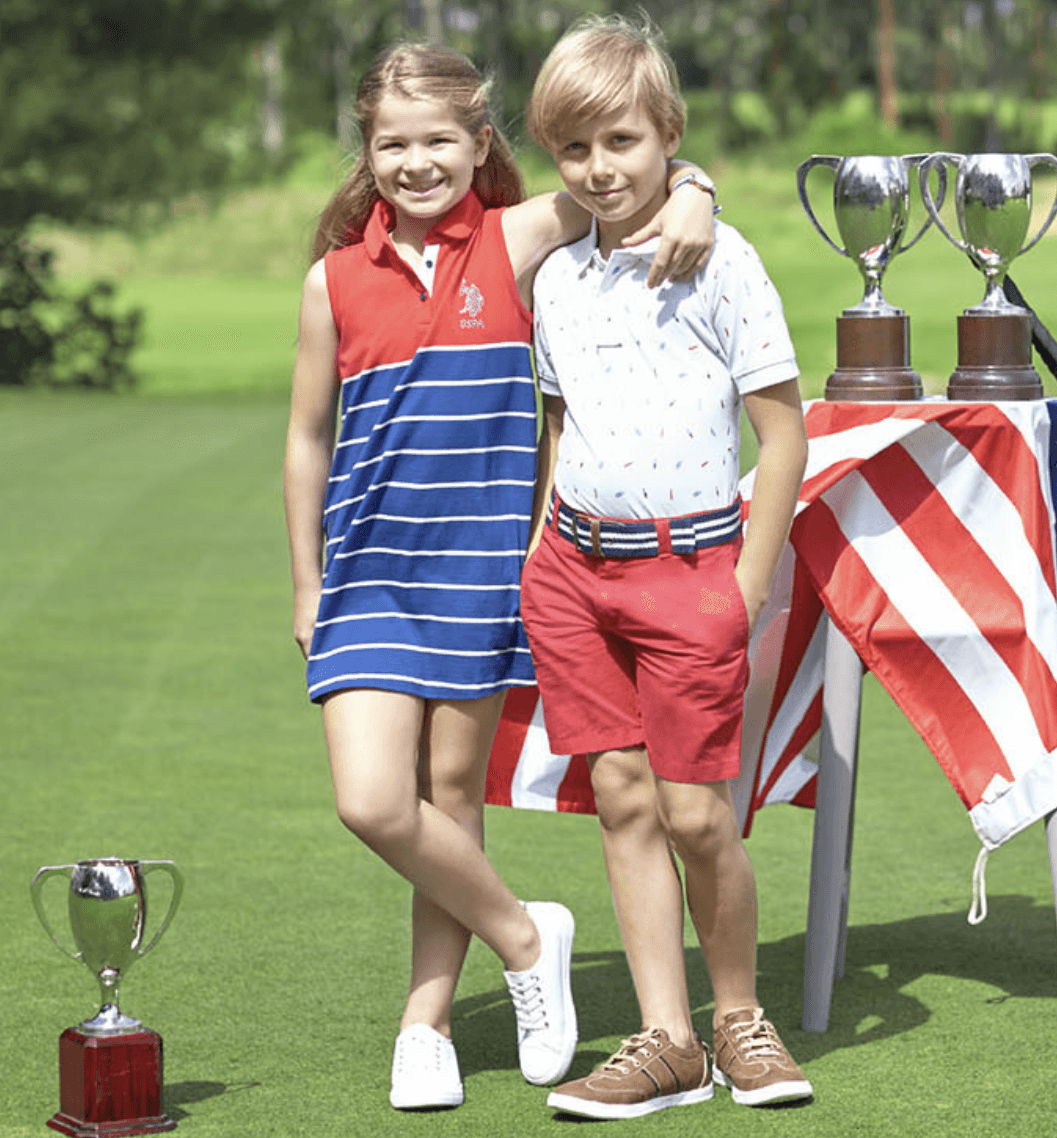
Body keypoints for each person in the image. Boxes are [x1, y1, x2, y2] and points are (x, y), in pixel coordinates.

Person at [281, 42, 720, 1111]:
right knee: (371, 802)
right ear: (367, 151)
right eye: (394, 144)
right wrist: (305, 582)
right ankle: (529, 934)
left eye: (440, 140)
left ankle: (423, 1028)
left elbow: (627, 180)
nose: (417, 162)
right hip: (367, 579)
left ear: (480, 146)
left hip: (480, 576)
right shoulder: (330, 280)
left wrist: (699, 191)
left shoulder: (519, 237)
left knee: (447, 800)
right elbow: (305, 439)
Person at [516, 15, 811, 1120]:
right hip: (572, 575)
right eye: (575, 149)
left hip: (695, 573)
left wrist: (747, 586)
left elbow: (782, 438)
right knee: (624, 802)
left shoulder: (721, 259)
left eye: (624, 143)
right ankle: (668, 1037)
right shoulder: (555, 278)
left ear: (669, 137)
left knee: (699, 815)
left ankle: (737, 1015)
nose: (599, 169)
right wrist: (542, 547)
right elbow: (559, 428)